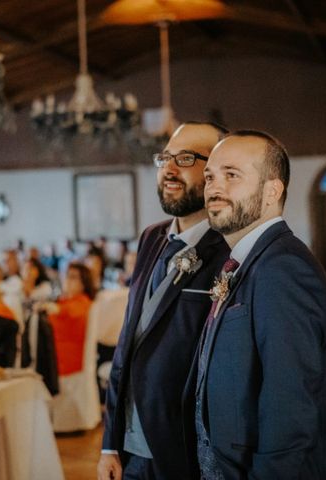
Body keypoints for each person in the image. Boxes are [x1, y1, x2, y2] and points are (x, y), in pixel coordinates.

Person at [188, 130, 326, 479]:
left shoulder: (284, 269)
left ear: (272, 191)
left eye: (232, 175)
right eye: (210, 177)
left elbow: (290, 410)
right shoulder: (248, 261)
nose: (214, 188)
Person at [98, 122, 230, 480]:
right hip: (128, 446)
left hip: (181, 449)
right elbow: (129, 340)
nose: (169, 169)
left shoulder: (230, 250)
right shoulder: (152, 237)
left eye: (185, 158)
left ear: (215, 173)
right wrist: (110, 443)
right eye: (165, 158)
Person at [45, 262, 96, 376]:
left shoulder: (84, 303)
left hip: (71, 370)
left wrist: (51, 308)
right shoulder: (63, 301)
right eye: (67, 275)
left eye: (73, 277)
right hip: (56, 365)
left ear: (84, 283)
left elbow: (71, 312)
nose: (67, 279)